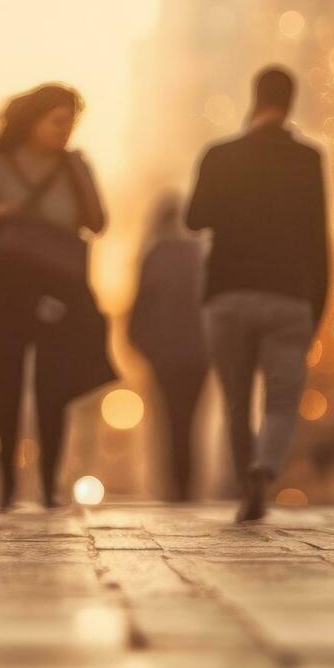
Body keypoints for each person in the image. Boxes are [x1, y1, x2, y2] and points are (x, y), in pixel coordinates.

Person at [0, 84, 114, 511]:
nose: (64, 131)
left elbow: (98, 222)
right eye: (56, 121)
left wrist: (80, 174)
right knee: (8, 382)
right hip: (6, 287)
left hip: (60, 290)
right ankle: (7, 486)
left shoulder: (73, 164)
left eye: (71, 122)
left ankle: (50, 484)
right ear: (33, 120)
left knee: (55, 386)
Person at [186, 66, 331, 522]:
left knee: (235, 400)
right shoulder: (308, 159)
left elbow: (194, 218)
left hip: (228, 295)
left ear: (254, 98)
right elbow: (317, 237)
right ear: (290, 103)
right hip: (289, 296)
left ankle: (242, 481)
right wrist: (318, 305)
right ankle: (262, 473)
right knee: (283, 400)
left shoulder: (220, 155)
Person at [128, 193, 208, 503]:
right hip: (199, 355)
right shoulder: (201, 255)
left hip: (165, 358)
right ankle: (188, 487)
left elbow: (138, 316)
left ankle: (173, 489)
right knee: (191, 422)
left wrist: (148, 349)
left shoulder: (155, 256)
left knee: (168, 422)